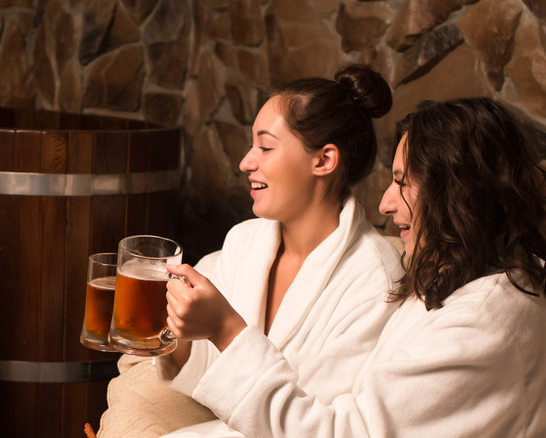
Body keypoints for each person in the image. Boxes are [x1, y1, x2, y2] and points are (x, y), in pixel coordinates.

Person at [162, 97, 546, 437]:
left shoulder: (484, 321)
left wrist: (227, 330)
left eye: (401, 182)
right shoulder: (448, 280)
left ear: (457, 193)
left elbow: (343, 429)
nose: (385, 204)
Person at [136, 64, 404, 437]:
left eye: (265, 146)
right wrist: (168, 333)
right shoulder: (245, 243)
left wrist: (222, 328)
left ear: (324, 160)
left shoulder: (375, 280)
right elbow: (210, 374)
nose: (246, 162)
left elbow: (315, 425)